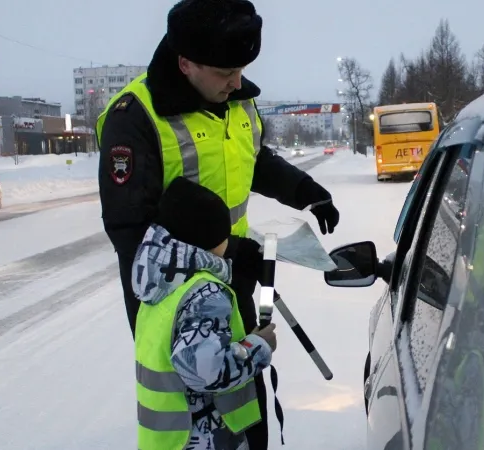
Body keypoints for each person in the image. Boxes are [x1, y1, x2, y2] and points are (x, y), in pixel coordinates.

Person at [96, 0, 339, 447]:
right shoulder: (135, 117)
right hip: (178, 302)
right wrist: (220, 263)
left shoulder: (236, 101)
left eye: (242, 68)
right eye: (226, 72)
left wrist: (306, 191)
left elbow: (254, 159)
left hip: (233, 279)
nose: (238, 81)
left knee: (247, 397)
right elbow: (132, 234)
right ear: (185, 63)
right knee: (201, 413)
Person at [132, 176, 277, 450]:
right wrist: (257, 347)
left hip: (165, 437)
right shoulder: (206, 294)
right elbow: (204, 372)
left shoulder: (158, 283)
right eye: (224, 235)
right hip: (203, 436)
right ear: (209, 242)